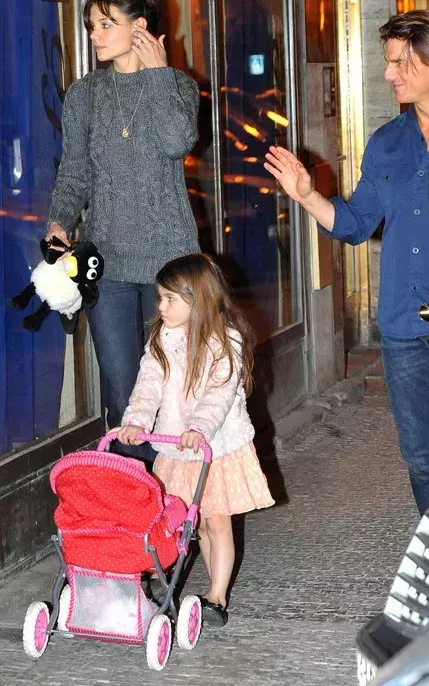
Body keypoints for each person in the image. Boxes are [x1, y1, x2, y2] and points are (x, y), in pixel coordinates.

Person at [265, 10, 429, 515]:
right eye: (388, 62)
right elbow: (354, 223)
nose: (388, 74)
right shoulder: (388, 141)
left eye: (399, 63)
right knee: (421, 458)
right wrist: (307, 196)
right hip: (402, 320)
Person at [46, 0, 200, 467]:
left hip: (169, 264)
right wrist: (60, 221)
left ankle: (174, 497)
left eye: (106, 24)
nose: (95, 35)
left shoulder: (177, 86)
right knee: (121, 394)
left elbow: (177, 142)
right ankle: (136, 502)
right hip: (107, 262)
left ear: (140, 28)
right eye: (92, 25)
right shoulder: (84, 95)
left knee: (172, 392)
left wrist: (156, 75)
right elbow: (75, 171)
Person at [117, 253, 274, 626]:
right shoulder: (162, 338)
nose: (161, 307)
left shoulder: (225, 340)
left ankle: (217, 596)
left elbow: (219, 394)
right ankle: (193, 581)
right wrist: (137, 421)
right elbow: (148, 384)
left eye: (170, 299)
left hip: (216, 449)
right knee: (194, 522)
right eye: (160, 298)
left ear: (196, 299)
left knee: (217, 521)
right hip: (176, 448)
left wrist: (199, 428)